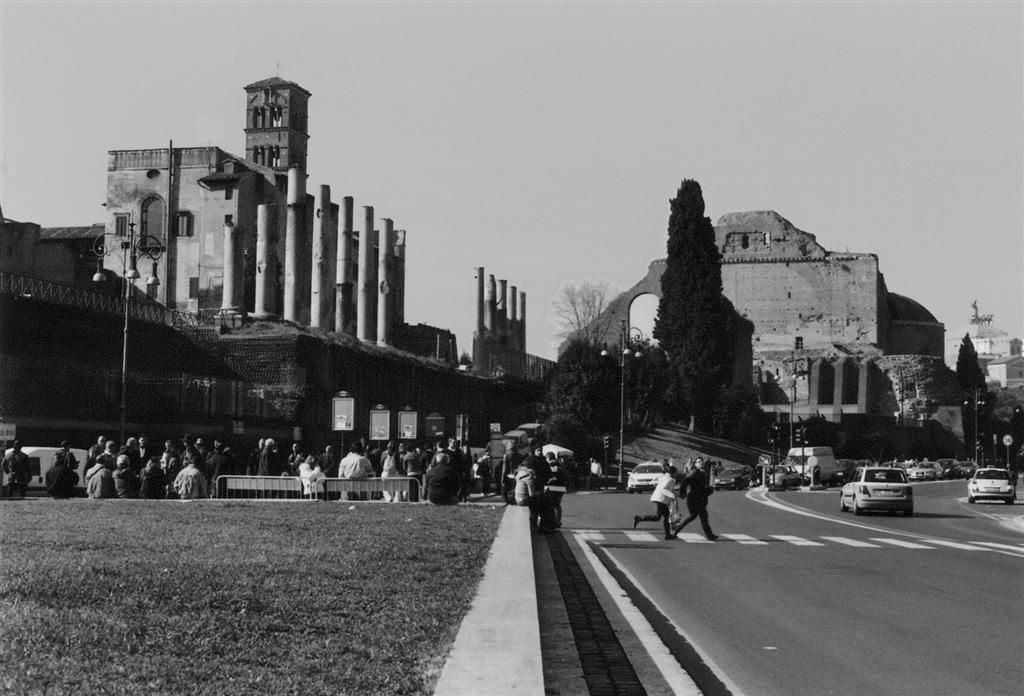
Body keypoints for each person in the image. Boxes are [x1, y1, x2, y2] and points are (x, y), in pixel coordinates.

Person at [675, 458, 718, 541]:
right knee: (692, 515)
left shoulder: (704, 472)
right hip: (693, 498)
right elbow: (685, 481)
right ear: (695, 464)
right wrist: (683, 493)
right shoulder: (694, 472)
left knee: (704, 516)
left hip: (701, 498)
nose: (701, 463)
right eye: (699, 462)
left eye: (702, 461)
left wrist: (708, 490)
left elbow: (703, 487)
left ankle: (709, 535)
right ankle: (675, 530)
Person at [634, 464, 680, 540]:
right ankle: (667, 534)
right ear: (672, 473)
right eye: (675, 473)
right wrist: (672, 495)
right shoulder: (669, 479)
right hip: (660, 499)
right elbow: (663, 489)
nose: (676, 474)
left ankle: (639, 518)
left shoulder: (665, 477)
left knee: (659, 517)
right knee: (662, 516)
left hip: (659, 498)